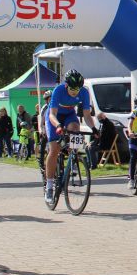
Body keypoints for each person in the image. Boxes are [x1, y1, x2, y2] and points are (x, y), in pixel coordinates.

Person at [44, 70, 99, 205]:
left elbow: (87, 115)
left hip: (69, 115)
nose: (75, 92)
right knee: (54, 149)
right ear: (66, 85)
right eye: (72, 89)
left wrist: (93, 129)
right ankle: (49, 186)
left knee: (75, 130)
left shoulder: (84, 92)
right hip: (55, 117)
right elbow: (52, 114)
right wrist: (58, 125)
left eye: (77, 89)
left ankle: (73, 158)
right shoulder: (58, 90)